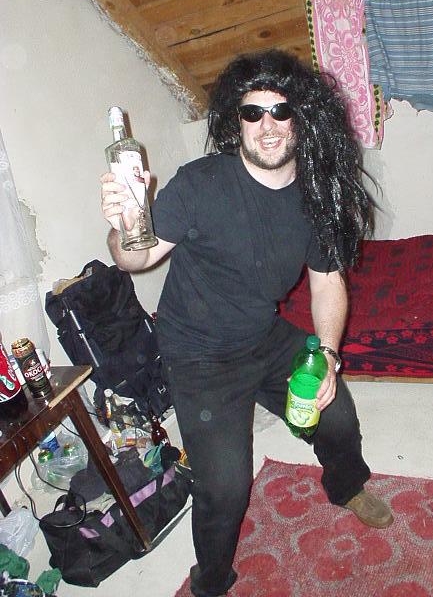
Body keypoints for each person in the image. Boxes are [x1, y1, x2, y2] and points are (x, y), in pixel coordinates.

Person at [101, 49, 393, 597]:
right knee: (225, 486)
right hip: (198, 354)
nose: (267, 125)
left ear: (301, 117)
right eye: (252, 112)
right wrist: (122, 224)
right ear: (236, 121)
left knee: (336, 412)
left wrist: (328, 355)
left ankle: (347, 485)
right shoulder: (201, 184)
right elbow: (135, 257)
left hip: (263, 336)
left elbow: (328, 283)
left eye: (281, 110)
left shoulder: (315, 194)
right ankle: (211, 581)